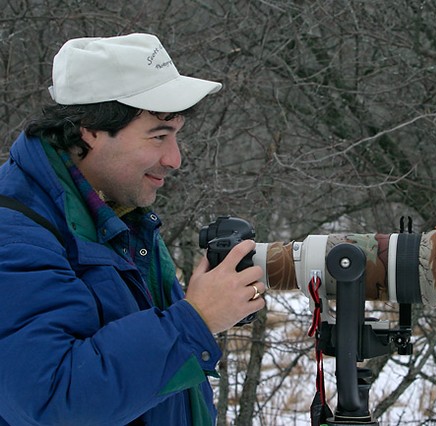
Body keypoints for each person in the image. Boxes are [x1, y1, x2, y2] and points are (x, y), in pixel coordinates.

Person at [0, 33, 266, 425]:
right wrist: (196, 319)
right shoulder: (16, 234)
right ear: (89, 129)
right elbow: (55, 400)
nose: (174, 159)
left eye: (176, 135)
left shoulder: (116, 215)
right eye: (159, 136)